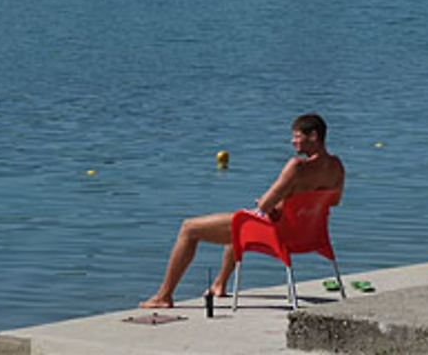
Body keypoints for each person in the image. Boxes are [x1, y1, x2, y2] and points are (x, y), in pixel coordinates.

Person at [139, 113, 344, 308]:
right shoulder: (336, 166)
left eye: (297, 136)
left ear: (314, 136)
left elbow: (264, 204)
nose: (293, 141)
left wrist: (268, 204)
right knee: (239, 220)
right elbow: (334, 202)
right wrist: (285, 206)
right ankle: (219, 284)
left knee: (189, 228)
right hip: (308, 234)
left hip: (279, 233)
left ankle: (163, 296)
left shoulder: (297, 166)